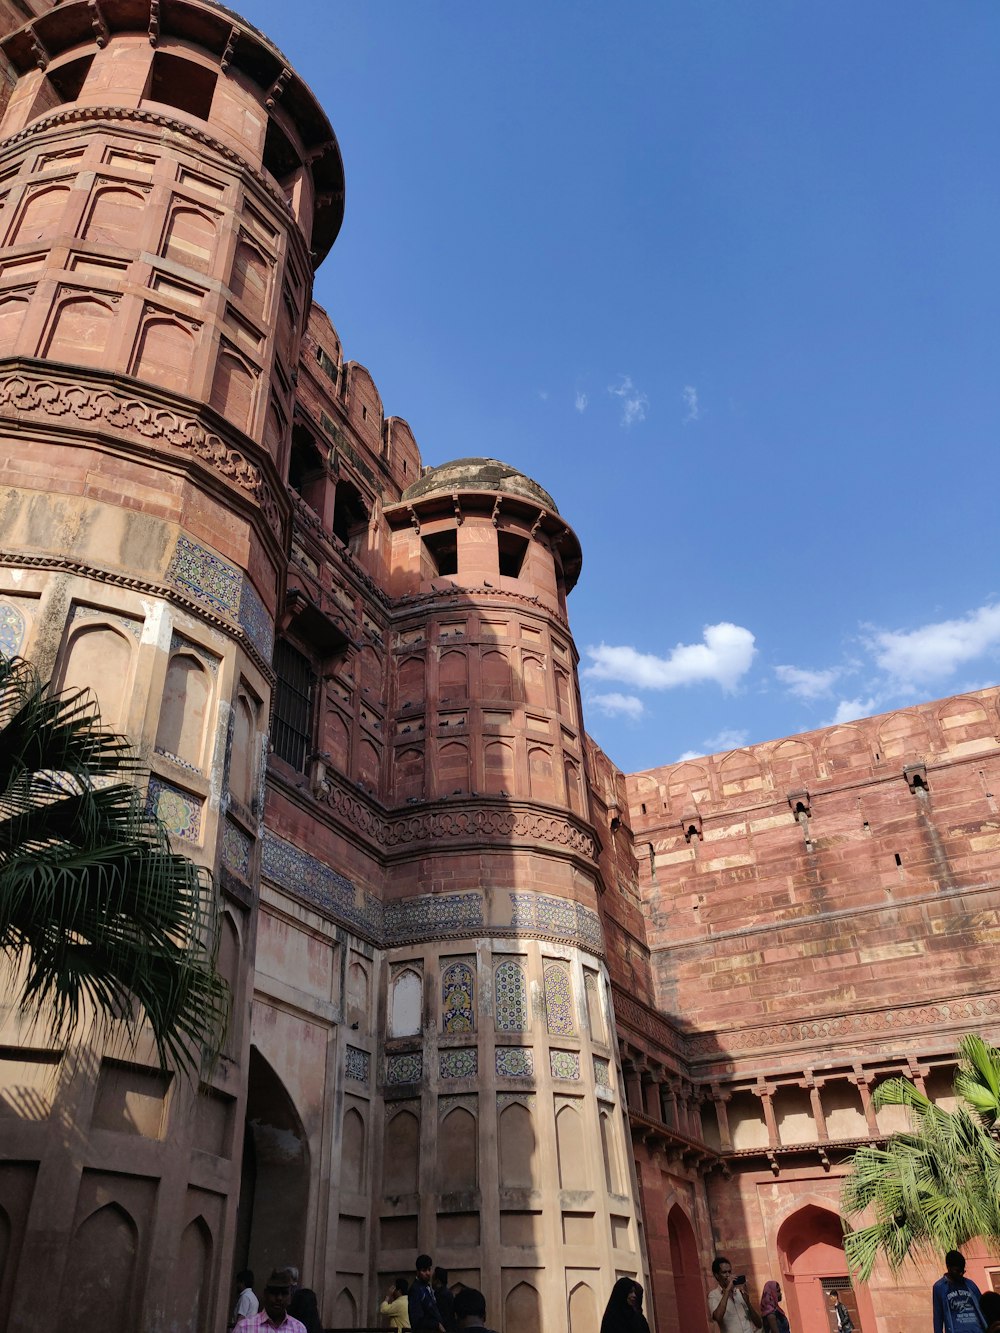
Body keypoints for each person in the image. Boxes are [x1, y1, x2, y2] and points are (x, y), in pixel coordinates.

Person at [234, 1269, 306, 1332]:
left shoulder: (299, 1329)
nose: (279, 1298)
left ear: (290, 1297)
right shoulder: (244, 1328)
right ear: (265, 1294)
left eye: (284, 1293)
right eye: (274, 1292)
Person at [933, 1251, 987, 1333]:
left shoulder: (970, 1284)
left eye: (963, 1271)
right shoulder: (939, 1287)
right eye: (957, 1271)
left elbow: (983, 1308)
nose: (961, 1274)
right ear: (948, 1267)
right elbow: (938, 1316)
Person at [709, 1257, 762, 1332]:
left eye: (729, 1272)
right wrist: (727, 1290)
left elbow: (759, 1324)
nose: (728, 1275)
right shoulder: (713, 1295)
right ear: (716, 1275)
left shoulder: (739, 1293)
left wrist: (748, 1303)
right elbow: (718, 1317)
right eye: (724, 1272)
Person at [408, 1254, 445, 1332]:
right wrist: (436, 1324)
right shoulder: (415, 1290)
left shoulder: (426, 1287)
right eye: (424, 1270)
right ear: (418, 1272)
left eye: (429, 1269)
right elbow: (417, 1320)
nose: (428, 1273)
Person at [433, 1267, 457, 1332]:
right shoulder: (447, 1293)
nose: (432, 1281)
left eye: (433, 1279)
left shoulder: (441, 1295)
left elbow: (443, 1316)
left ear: (438, 1281)